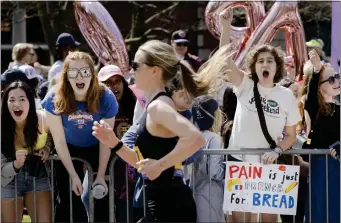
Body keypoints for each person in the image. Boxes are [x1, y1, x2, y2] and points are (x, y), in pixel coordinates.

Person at [92, 39, 209, 222]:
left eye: (136, 65)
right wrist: (113, 142)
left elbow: (196, 138)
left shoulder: (158, 107)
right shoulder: (153, 106)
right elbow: (143, 164)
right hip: (160, 203)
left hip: (171, 206)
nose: (131, 71)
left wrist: (160, 165)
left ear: (154, 70)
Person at [41, 51, 118, 222]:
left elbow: (106, 140)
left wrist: (100, 175)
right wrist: (74, 176)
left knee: (101, 196)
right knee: (68, 201)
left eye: (84, 72)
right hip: (68, 148)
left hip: (97, 145)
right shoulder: (54, 97)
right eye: (73, 73)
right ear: (66, 76)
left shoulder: (106, 97)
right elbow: (59, 141)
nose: (79, 77)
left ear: (92, 73)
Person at [81, 65, 137, 222]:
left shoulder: (134, 106)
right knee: (88, 197)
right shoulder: (92, 106)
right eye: (108, 83)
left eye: (118, 81)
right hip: (98, 166)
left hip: (126, 169)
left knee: (124, 211)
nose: (114, 86)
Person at [1, 81, 53, 223]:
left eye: (22, 99)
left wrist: (47, 147)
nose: (16, 103)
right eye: (11, 100)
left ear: (30, 102)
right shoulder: (1, 126)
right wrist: (16, 164)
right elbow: (2, 171)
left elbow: (52, 134)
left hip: (37, 173)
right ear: (5, 104)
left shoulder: (42, 118)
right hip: (8, 180)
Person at [303, 49, 340, 223]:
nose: (337, 82)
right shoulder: (315, 109)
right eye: (331, 79)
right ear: (320, 85)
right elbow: (310, 97)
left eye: (338, 77)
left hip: (338, 167)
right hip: (322, 168)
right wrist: (317, 71)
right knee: (319, 211)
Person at [191, 97, 225, 222]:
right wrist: (228, 170)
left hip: (196, 190)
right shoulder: (214, 138)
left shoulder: (194, 136)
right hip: (210, 193)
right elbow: (214, 171)